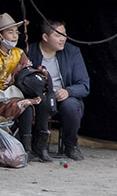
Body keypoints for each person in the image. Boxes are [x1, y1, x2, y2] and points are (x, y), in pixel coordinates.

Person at [0, 13, 51, 162]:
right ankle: (26, 148)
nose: (15, 36)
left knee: (42, 101)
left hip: (18, 95)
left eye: (16, 32)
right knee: (25, 106)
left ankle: (40, 146)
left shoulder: (19, 53)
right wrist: (6, 95)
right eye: (9, 32)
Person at [26, 20, 90, 161]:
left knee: (71, 105)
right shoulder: (30, 51)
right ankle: (37, 146)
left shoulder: (72, 52)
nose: (63, 39)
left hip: (62, 97)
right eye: (58, 35)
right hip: (41, 97)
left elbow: (84, 85)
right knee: (36, 103)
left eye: (64, 35)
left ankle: (71, 145)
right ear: (45, 37)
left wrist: (68, 91)